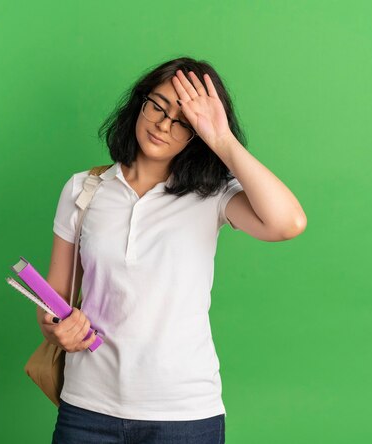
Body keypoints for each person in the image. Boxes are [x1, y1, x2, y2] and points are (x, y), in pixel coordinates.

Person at [37, 56, 307, 443]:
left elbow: (288, 223)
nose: (164, 125)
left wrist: (223, 140)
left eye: (183, 122)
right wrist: (55, 330)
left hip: (184, 415)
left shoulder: (213, 195)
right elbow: (53, 301)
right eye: (158, 107)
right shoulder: (83, 190)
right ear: (139, 104)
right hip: (87, 410)